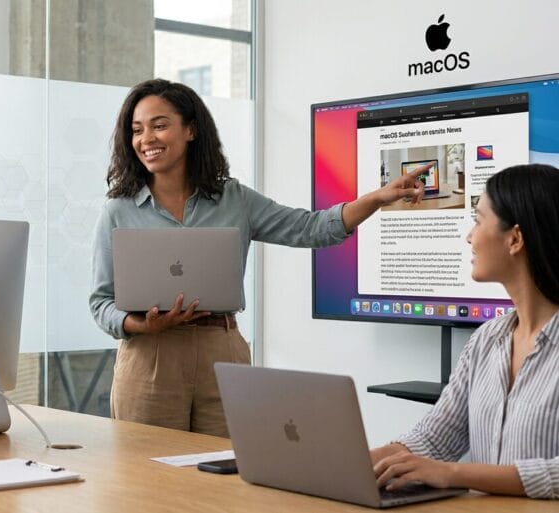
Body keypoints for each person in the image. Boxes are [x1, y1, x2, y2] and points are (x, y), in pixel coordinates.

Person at [90, 79, 429, 436]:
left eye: (159, 125)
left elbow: (311, 228)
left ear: (190, 130)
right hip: (149, 356)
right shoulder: (117, 211)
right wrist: (141, 325)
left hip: (221, 350)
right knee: (148, 482)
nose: (147, 139)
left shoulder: (233, 199)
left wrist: (374, 199)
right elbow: (100, 303)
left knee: (227, 474)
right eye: (137, 130)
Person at [371, 163, 559, 499]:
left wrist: (454, 473)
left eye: (477, 220)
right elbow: (433, 439)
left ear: (515, 238)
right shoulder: (487, 340)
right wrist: (348, 464)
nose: (469, 236)